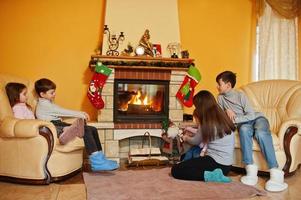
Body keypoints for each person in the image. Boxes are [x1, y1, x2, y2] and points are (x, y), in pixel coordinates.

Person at [216, 71, 288, 192]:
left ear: (228, 85)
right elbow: (219, 116)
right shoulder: (220, 98)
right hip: (243, 124)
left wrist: (235, 119)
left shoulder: (240, 96)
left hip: (257, 119)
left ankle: (276, 173)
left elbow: (250, 115)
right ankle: (250, 169)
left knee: (260, 133)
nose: (217, 87)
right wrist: (226, 111)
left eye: (219, 84)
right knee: (243, 130)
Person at [34, 78, 119, 171]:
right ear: (42, 94)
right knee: (85, 130)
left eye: (54, 92)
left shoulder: (47, 103)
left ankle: (101, 159)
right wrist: (81, 114)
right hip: (55, 127)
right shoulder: (44, 105)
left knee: (92, 129)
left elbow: (59, 110)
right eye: (51, 93)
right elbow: (62, 111)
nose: (54, 94)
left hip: (59, 123)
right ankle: (97, 163)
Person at [171, 90, 235, 183]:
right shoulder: (222, 116)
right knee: (191, 165)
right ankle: (214, 174)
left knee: (176, 170)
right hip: (227, 166)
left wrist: (186, 138)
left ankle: (211, 176)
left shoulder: (206, 122)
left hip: (215, 163)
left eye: (196, 106)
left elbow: (195, 141)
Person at [5, 82, 85, 145]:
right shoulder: (17, 108)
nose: (27, 96)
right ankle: (65, 133)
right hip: (31, 129)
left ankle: (72, 130)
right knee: (49, 128)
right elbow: (20, 124)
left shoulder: (25, 106)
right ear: (15, 96)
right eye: (24, 94)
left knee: (51, 127)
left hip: (36, 125)